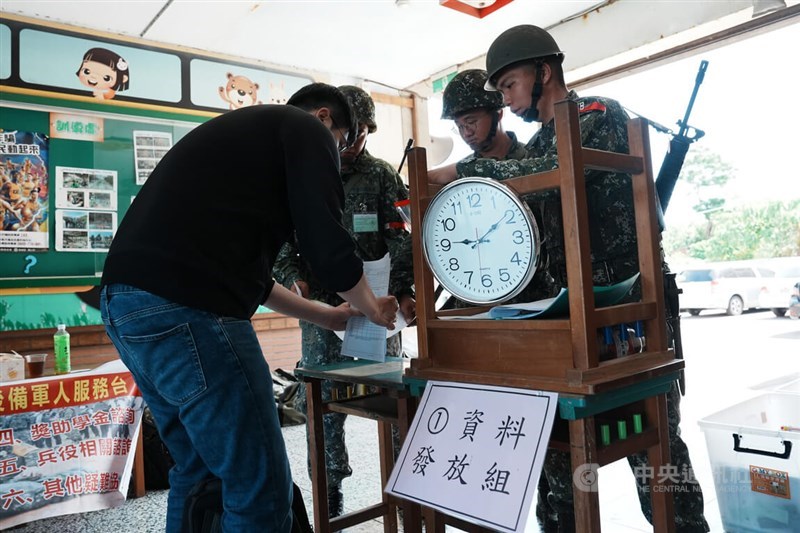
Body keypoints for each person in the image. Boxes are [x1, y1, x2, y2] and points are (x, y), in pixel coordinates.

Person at [429, 25, 709, 533]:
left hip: (630, 309)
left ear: (544, 72)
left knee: (655, 449)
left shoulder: (597, 114)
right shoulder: (539, 139)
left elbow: (558, 168)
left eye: (510, 85)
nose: (507, 99)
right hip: (572, 311)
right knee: (561, 462)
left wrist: (461, 173)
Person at [100, 82, 400, 533]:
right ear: (323, 118)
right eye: (341, 142)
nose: (339, 155)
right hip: (190, 310)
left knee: (199, 473)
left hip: (129, 308)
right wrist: (373, 306)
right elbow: (328, 245)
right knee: (258, 488)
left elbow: (254, 281)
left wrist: (330, 315)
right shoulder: (305, 128)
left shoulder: (246, 152)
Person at [272, 84, 415, 518]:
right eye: (346, 137)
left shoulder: (384, 175)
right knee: (325, 409)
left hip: (376, 309)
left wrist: (404, 291)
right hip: (320, 310)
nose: (350, 146)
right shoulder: (303, 169)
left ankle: (406, 492)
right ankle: (329, 497)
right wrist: (293, 280)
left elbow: (402, 239)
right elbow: (279, 240)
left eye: (359, 137)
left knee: (393, 402)